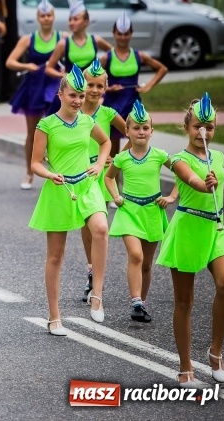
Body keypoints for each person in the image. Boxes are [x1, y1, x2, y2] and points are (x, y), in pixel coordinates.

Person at [155, 94, 224, 388]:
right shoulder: (178, 160)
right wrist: (204, 183)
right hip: (188, 229)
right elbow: (191, 180)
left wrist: (212, 181)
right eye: (198, 126)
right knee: (185, 301)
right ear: (187, 127)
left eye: (209, 127)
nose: (204, 133)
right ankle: (185, 365)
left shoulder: (219, 157)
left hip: (215, 228)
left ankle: (216, 352)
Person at [29, 65, 111, 336]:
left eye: (81, 96)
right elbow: (35, 163)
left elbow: (106, 143)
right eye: (73, 95)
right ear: (60, 95)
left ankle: (97, 294)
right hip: (60, 189)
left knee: (101, 229)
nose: (78, 100)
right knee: (55, 255)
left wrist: (99, 164)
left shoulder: (87, 121)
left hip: (86, 186)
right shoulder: (46, 125)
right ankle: (54, 317)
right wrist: (49, 174)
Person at [104, 101, 176, 322]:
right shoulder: (122, 158)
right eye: (136, 128)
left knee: (146, 263)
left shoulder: (160, 155)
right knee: (136, 255)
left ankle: (141, 305)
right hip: (129, 210)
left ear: (152, 131)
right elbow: (108, 177)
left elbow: (182, 175)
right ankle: (135, 301)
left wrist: (171, 197)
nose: (141, 131)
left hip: (153, 211)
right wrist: (115, 195)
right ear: (127, 131)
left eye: (145, 128)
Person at [78, 61, 127, 302]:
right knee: (84, 225)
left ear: (106, 88)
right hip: (79, 175)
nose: (94, 90)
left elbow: (134, 133)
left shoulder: (108, 113)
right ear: (82, 86)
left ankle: (95, 277)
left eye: (99, 86)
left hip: (101, 177)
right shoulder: (74, 111)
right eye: (90, 85)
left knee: (99, 226)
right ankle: (91, 269)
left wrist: (117, 160)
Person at [6, 0, 63, 190]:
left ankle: (56, 172)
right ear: (38, 18)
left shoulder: (62, 38)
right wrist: (27, 65)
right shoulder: (28, 39)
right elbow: (10, 61)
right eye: (42, 15)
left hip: (55, 88)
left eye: (49, 15)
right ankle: (29, 173)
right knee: (33, 132)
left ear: (53, 16)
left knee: (56, 131)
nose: (46, 18)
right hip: (34, 88)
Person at [99, 12, 168, 158]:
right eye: (119, 34)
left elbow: (162, 69)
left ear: (131, 34)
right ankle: (114, 171)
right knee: (112, 148)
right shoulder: (107, 57)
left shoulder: (139, 55)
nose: (123, 37)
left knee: (137, 141)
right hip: (113, 105)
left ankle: (126, 165)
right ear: (114, 33)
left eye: (126, 34)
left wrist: (148, 86)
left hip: (132, 103)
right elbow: (91, 78)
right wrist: (108, 88)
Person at [44, 0, 112, 113]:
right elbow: (48, 69)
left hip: (91, 92)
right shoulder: (64, 43)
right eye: (70, 19)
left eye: (75, 19)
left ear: (86, 21)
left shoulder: (96, 40)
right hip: (70, 91)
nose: (71, 23)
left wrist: (102, 67)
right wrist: (62, 74)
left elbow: (114, 55)